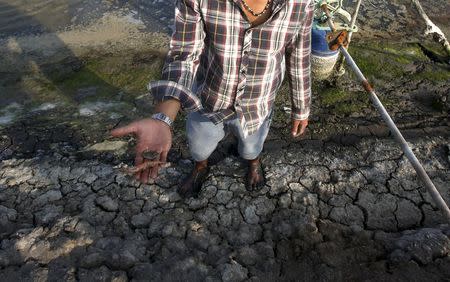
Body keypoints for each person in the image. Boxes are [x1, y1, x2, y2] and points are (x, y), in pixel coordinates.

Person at [112, 0, 313, 197]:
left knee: (252, 148)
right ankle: (200, 167)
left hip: (258, 103)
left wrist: (301, 108)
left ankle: (253, 163)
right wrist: (163, 118)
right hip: (208, 101)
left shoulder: (301, 4)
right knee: (199, 149)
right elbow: (184, 55)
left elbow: (299, 58)